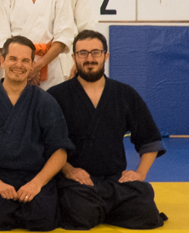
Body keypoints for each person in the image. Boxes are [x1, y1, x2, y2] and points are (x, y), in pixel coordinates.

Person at [49, 30, 167, 230]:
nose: (89, 59)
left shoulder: (125, 94)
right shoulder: (57, 95)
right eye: (83, 53)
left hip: (116, 179)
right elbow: (48, 143)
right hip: (76, 181)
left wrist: (140, 173)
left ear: (106, 56)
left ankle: (104, 209)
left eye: (95, 52)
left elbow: (149, 139)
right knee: (80, 213)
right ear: (74, 57)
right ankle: (104, 210)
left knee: (145, 209)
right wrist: (69, 170)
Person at [0, 35, 74, 231]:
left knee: (41, 218)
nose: (18, 65)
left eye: (25, 61)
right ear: (3, 61)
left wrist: (37, 183)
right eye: (13, 59)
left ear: (32, 65)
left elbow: (60, 151)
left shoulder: (45, 102)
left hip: (34, 177)